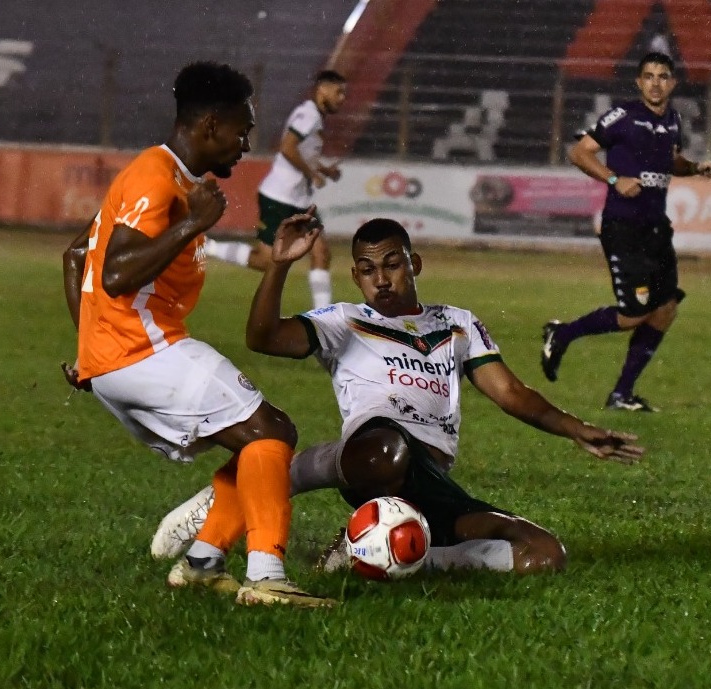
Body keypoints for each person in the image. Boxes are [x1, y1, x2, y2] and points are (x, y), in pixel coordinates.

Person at [152, 216, 644, 576]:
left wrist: (578, 428)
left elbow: (512, 393)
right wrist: (278, 268)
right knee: (388, 449)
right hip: (374, 458)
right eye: (367, 269)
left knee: (542, 554)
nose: (381, 279)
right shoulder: (344, 321)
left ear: (416, 264)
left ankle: (379, 552)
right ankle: (269, 479)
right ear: (355, 277)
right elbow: (263, 337)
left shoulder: (456, 323)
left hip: (429, 483)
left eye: (392, 265)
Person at [60, 61, 333, 608]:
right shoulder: (154, 178)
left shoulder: (173, 177)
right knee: (270, 431)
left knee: (261, 435)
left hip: (121, 354)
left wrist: (90, 353)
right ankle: (266, 576)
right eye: (242, 130)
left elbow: (75, 257)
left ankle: (205, 563)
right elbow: (112, 273)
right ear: (209, 126)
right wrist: (191, 225)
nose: (246, 145)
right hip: (142, 348)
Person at [540, 52, 711, 412]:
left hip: (656, 229)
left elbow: (672, 162)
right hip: (624, 227)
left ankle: (621, 394)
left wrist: (696, 167)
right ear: (639, 82)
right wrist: (615, 180)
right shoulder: (622, 116)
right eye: (648, 76)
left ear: (672, 83)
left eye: (663, 76)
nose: (655, 82)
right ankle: (564, 333)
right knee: (634, 314)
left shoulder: (673, 120)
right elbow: (579, 152)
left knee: (665, 308)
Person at [204, 70, 348, 309]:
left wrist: (323, 170)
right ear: (322, 89)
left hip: (300, 200)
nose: (342, 98)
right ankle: (209, 247)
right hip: (279, 198)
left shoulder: (315, 116)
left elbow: (301, 153)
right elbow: (288, 148)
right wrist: (312, 173)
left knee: (321, 253)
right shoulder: (309, 115)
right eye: (338, 91)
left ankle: (324, 314)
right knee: (266, 262)